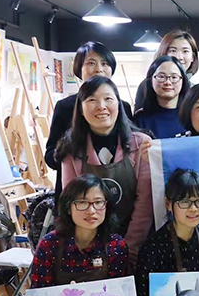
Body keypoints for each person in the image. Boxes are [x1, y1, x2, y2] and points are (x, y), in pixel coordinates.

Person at [56, 76, 152, 266]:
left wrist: (129, 249)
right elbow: (73, 202)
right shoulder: (71, 148)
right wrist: (95, 250)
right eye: (92, 100)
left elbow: (145, 203)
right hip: (89, 244)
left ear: (119, 105)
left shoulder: (141, 144)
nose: (101, 106)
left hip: (137, 242)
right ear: (81, 109)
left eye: (108, 99)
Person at [45, 42, 133, 200]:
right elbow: (50, 156)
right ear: (79, 69)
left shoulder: (122, 107)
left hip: (118, 192)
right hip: (75, 192)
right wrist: (69, 154)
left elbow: (131, 147)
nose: (99, 69)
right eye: (91, 63)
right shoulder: (65, 107)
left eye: (105, 63)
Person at [134, 30, 199, 108]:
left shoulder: (196, 90)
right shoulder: (147, 85)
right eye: (173, 51)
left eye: (185, 51)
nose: (179, 57)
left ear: (192, 57)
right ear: (163, 53)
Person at [133, 56, 189, 139]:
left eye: (174, 77)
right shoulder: (141, 119)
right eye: (161, 76)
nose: (168, 82)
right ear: (151, 80)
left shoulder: (192, 116)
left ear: (183, 80)